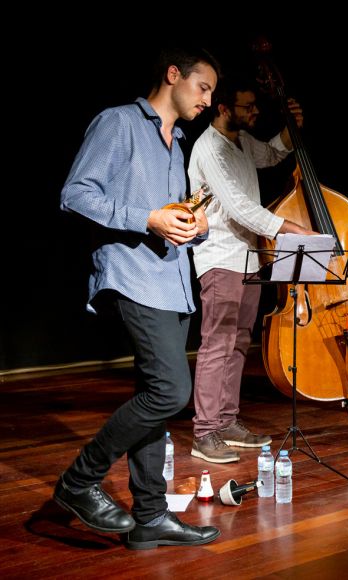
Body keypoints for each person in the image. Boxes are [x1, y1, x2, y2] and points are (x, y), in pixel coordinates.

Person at [55, 46, 221, 549]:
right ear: (174, 75)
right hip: (132, 276)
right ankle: (79, 481)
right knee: (172, 391)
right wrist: (149, 217)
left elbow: (173, 217)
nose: (209, 101)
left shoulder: (178, 144)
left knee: (156, 397)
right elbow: (76, 194)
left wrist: (195, 226)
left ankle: (149, 518)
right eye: (203, 87)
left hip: (171, 283)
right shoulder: (119, 122)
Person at [186, 76, 317, 463]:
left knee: (239, 342)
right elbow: (240, 207)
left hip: (248, 257)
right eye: (247, 107)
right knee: (216, 345)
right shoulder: (209, 148)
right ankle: (205, 431)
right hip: (220, 258)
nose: (254, 112)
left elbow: (273, 153)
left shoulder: (241, 142)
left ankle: (227, 421)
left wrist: (293, 129)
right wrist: (291, 230)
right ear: (223, 108)